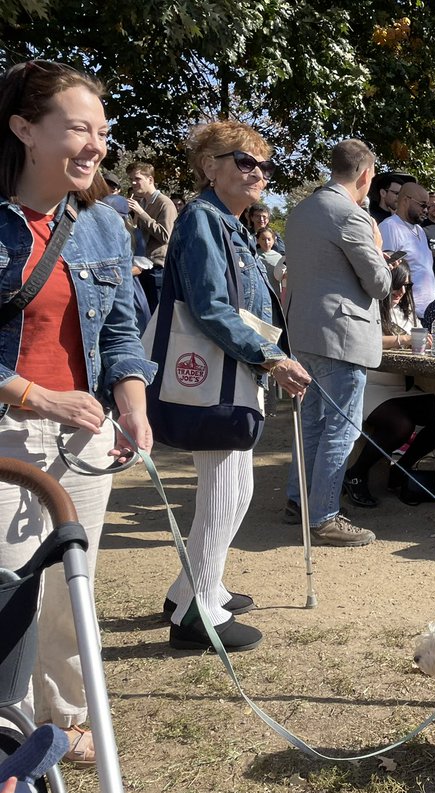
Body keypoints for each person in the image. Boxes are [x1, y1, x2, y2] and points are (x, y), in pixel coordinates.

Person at [0, 60, 156, 759]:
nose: (96, 145)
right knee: (10, 595)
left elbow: (121, 333)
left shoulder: (102, 227)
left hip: (83, 439)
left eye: (102, 131)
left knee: (70, 590)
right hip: (9, 433)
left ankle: (65, 718)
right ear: (25, 129)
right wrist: (37, 397)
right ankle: (8, 734)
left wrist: (133, 404)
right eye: (78, 129)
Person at [155, 120, 312, 653]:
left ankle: (192, 590)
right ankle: (196, 613)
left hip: (233, 367)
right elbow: (210, 307)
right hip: (217, 370)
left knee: (234, 487)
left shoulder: (229, 223)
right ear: (210, 166)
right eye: (245, 162)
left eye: (264, 165)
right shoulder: (204, 219)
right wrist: (271, 357)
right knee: (226, 489)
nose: (258, 172)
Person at [284, 139, 391, 546]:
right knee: (342, 428)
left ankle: (299, 501)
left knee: (312, 422)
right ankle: (324, 515)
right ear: (365, 175)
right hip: (342, 336)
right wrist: (378, 249)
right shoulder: (351, 216)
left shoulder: (301, 211)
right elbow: (379, 284)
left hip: (304, 332)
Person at [341, 261, 435, 506]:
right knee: (400, 425)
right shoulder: (368, 306)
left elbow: (417, 339)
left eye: (406, 286)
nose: (401, 292)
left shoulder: (407, 311)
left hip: (403, 387)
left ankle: (401, 469)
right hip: (372, 386)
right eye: (396, 286)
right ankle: (355, 474)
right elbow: (366, 340)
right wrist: (403, 340)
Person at [125, 161, 176, 311]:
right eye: (131, 179)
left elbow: (166, 236)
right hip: (142, 266)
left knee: (157, 315)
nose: (133, 183)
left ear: (150, 179)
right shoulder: (142, 202)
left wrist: (141, 213)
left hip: (157, 269)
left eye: (137, 179)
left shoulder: (165, 204)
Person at [380, 180, 435, 317]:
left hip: (425, 313)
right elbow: (388, 272)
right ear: (406, 200)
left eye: (427, 206)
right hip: (403, 314)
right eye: (423, 205)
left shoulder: (420, 230)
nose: (426, 210)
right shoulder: (389, 227)